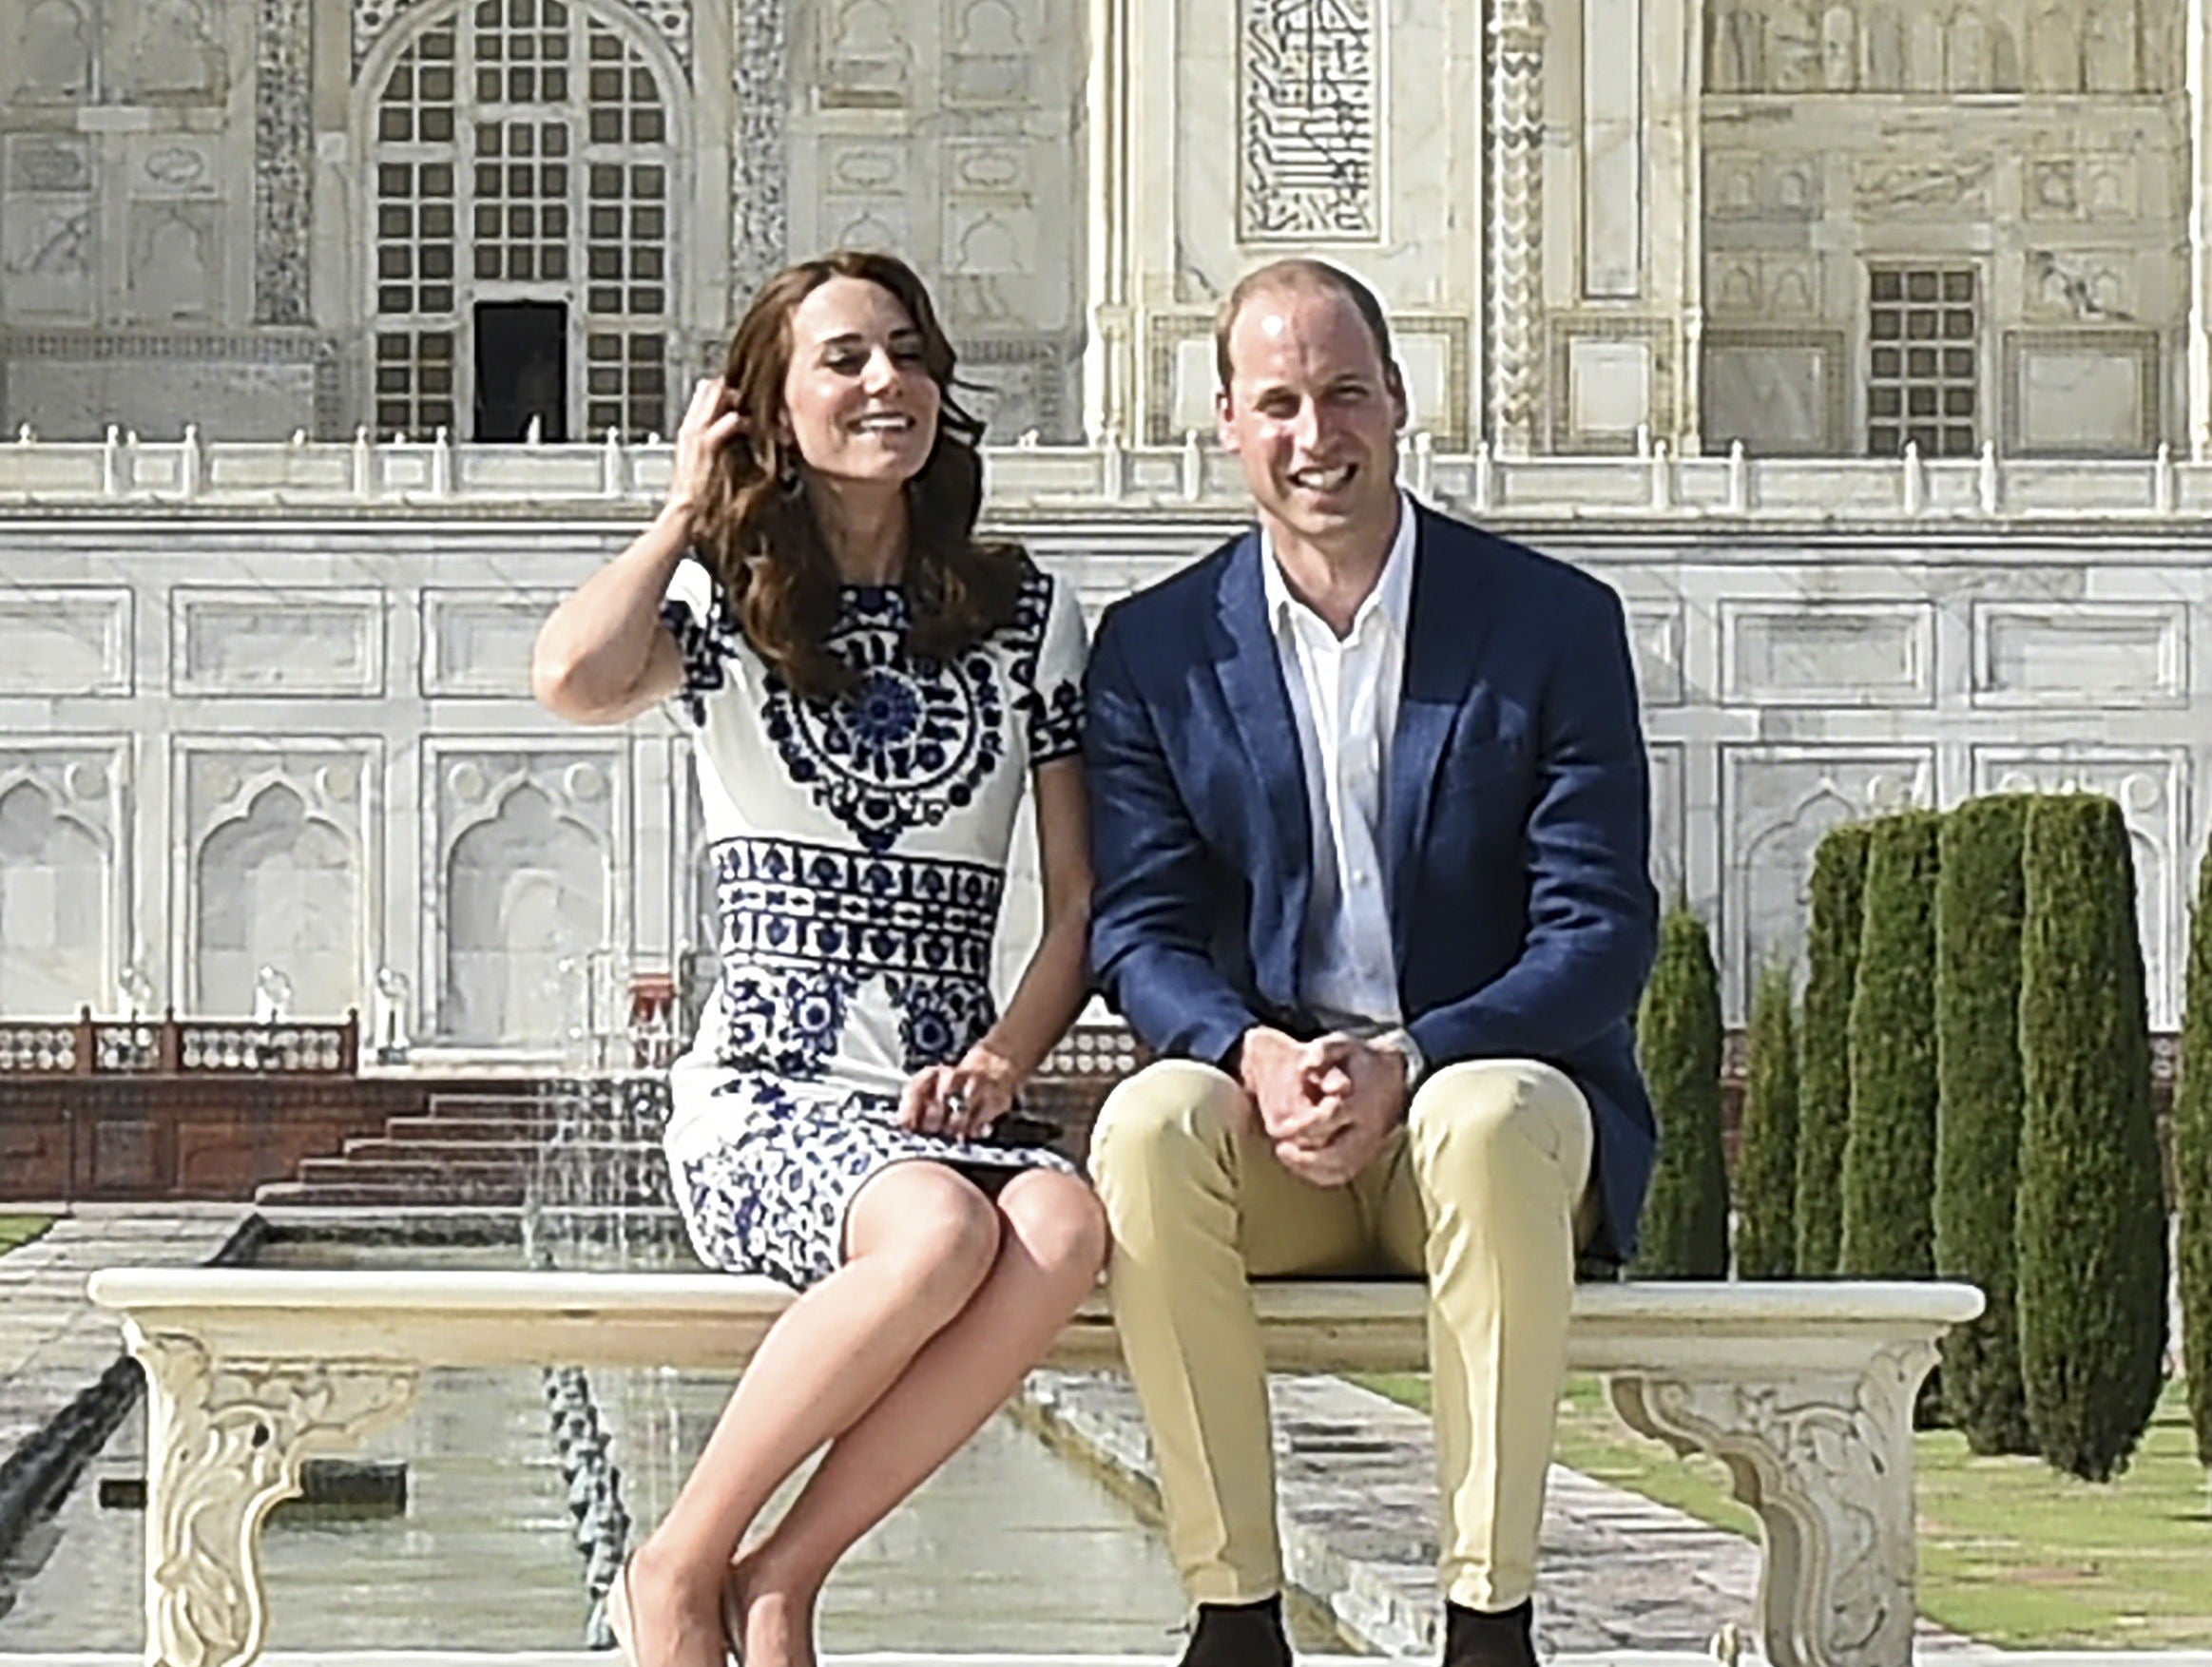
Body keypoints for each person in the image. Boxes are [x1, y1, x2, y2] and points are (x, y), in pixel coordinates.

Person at [532, 250, 1106, 1667]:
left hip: (936, 1106)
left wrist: (1001, 1061)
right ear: (772, 410)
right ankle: (678, 1565)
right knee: (942, 1229)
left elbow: (1079, 905)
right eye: (842, 359)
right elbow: (571, 676)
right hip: (770, 1101)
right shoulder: (733, 608)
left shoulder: (1021, 614)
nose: (884, 383)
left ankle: (784, 1573)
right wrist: (683, 505)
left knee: (1068, 1227)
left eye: (906, 354)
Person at [1082, 258, 1659, 1667]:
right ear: (1225, 418)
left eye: (1344, 393)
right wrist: (1253, 1055)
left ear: (1399, 400)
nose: (1314, 433)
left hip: (1481, 1134)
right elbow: (1138, 929)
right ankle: (1233, 1615)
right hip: (1278, 1134)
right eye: (1278, 400)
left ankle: (1488, 1617)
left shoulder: (1545, 625)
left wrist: (1412, 1057)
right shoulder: (1156, 652)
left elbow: (1600, 927)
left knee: (1487, 1111)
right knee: (1146, 1122)